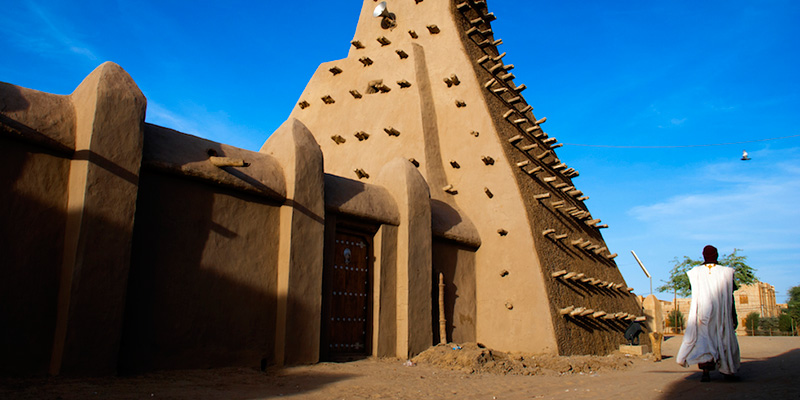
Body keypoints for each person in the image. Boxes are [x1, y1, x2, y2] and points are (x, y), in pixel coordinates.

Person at [676, 245, 741, 382]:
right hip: (722, 314)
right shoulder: (726, 272)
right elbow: (730, 296)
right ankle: (727, 371)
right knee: (724, 339)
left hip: (703, 315)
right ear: (717, 255)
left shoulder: (696, 273)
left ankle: (706, 372)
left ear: (703, 255)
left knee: (704, 341)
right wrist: (732, 315)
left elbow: (693, 290)